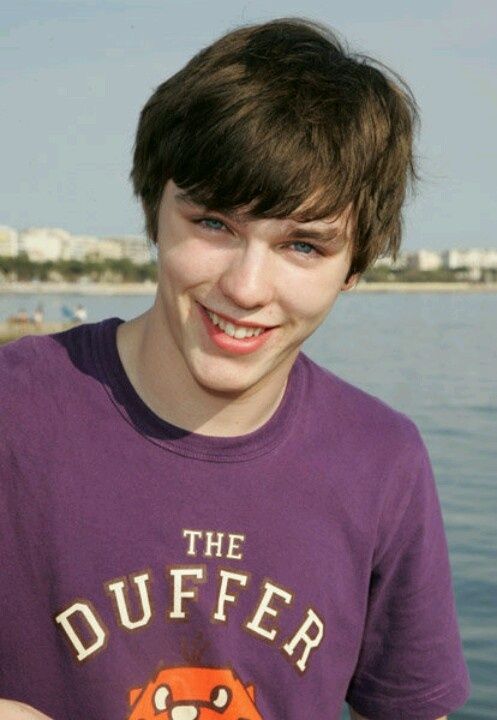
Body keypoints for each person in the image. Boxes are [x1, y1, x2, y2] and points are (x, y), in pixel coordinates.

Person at [0, 17, 470, 720]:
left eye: (303, 247)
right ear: (154, 213)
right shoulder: (17, 408)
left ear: (353, 267)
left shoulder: (381, 462)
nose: (247, 288)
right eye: (214, 224)